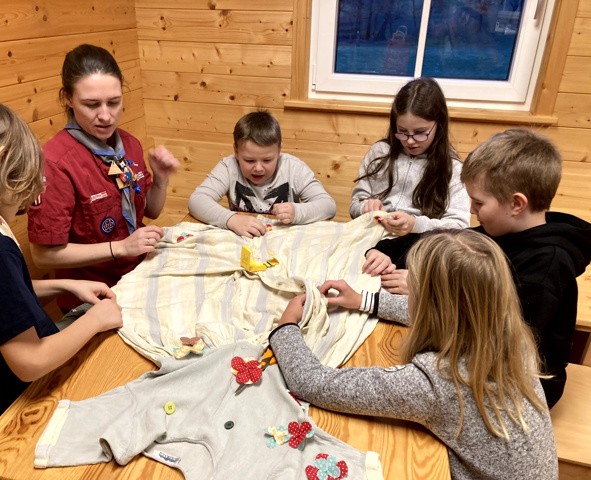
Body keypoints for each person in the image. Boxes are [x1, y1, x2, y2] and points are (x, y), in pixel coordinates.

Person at [269, 229, 558, 480]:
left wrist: (286, 326)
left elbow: (314, 383)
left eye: (413, 290)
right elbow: (439, 317)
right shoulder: (513, 337)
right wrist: (363, 299)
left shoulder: (437, 382)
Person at [362, 128, 591, 407]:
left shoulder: (546, 270)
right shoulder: (501, 231)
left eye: (479, 202)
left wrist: (429, 287)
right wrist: (384, 251)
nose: (471, 209)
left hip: (521, 389)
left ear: (516, 204)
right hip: (477, 356)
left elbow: (494, 340)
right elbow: (435, 242)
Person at [0, 100, 123, 431]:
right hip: (11, 397)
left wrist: (64, 285)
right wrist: (96, 319)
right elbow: (30, 362)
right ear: (4, 166)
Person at [27, 44, 180, 312]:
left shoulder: (129, 144)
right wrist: (119, 248)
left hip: (139, 274)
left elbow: (152, 211)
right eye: (91, 105)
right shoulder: (54, 163)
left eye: (114, 102)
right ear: (68, 98)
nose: (106, 116)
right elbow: (42, 256)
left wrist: (161, 179)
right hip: (93, 298)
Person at [349, 77, 470, 235]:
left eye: (420, 132)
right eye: (402, 131)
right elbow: (355, 205)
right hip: (372, 235)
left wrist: (415, 225)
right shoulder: (380, 152)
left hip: (419, 242)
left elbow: (459, 226)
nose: (410, 141)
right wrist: (365, 208)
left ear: (439, 125)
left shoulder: (453, 168)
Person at [188, 110, 336, 238]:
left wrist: (297, 212)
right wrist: (231, 219)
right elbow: (197, 200)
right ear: (236, 152)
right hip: (242, 241)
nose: (258, 168)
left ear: (279, 151)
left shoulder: (294, 168)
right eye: (249, 160)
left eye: (267, 160)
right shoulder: (228, 167)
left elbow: (328, 206)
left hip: (284, 241)